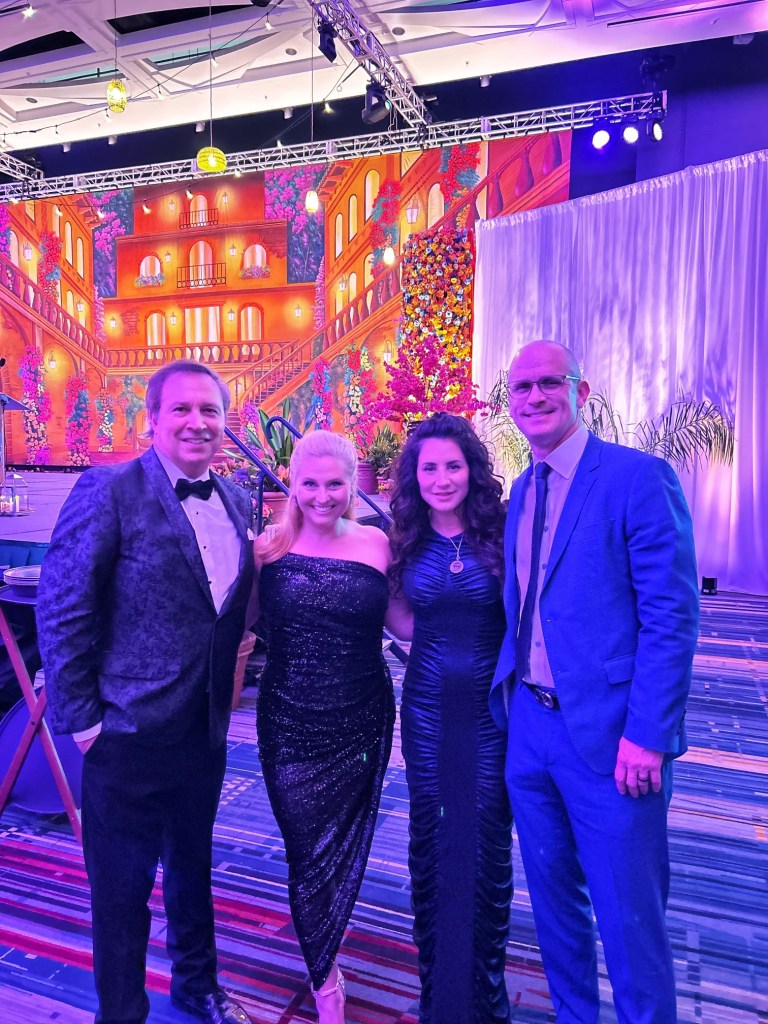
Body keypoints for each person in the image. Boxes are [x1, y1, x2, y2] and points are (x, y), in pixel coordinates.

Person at [37, 359, 254, 1024]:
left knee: (193, 868)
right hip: (124, 731)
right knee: (121, 889)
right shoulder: (108, 488)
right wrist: (83, 722)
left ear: (225, 422)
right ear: (152, 418)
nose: (197, 422)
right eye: (181, 409)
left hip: (203, 729)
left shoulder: (236, 499)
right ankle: (122, 1011)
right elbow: (62, 605)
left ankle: (197, 986)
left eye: (210, 410)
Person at [491, 340, 699, 1024]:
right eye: (522, 388)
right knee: (554, 912)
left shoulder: (638, 478)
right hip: (530, 730)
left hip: (614, 738)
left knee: (630, 920)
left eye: (550, 382)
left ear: (581, 393)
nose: (535, 397)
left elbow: (671, 618)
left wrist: (650, 735)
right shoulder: (523, 490)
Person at [253, 429, 407, 1024]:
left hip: (362, 716)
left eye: (334, 484)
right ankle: (325, 977)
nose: (322, 496)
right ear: (292, 484)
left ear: (352, 485)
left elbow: (404, 624)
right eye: (310, 483)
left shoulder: (377, 543)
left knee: (342, 841)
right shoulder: (267, 547)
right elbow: (231, 624)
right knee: (304, 849)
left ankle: (324, 968)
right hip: (288, 718)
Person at [387, 413, 512, 1024]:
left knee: (484, 841)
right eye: (429, 467)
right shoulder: (402, 539)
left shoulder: (502, 532)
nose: (441, 479)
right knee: (433, 841)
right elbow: (400, 620)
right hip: (428, 712)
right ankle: (439, 995)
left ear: (473, 471)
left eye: (453, 466)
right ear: (415, 475)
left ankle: (484, 998)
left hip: (492, 714)